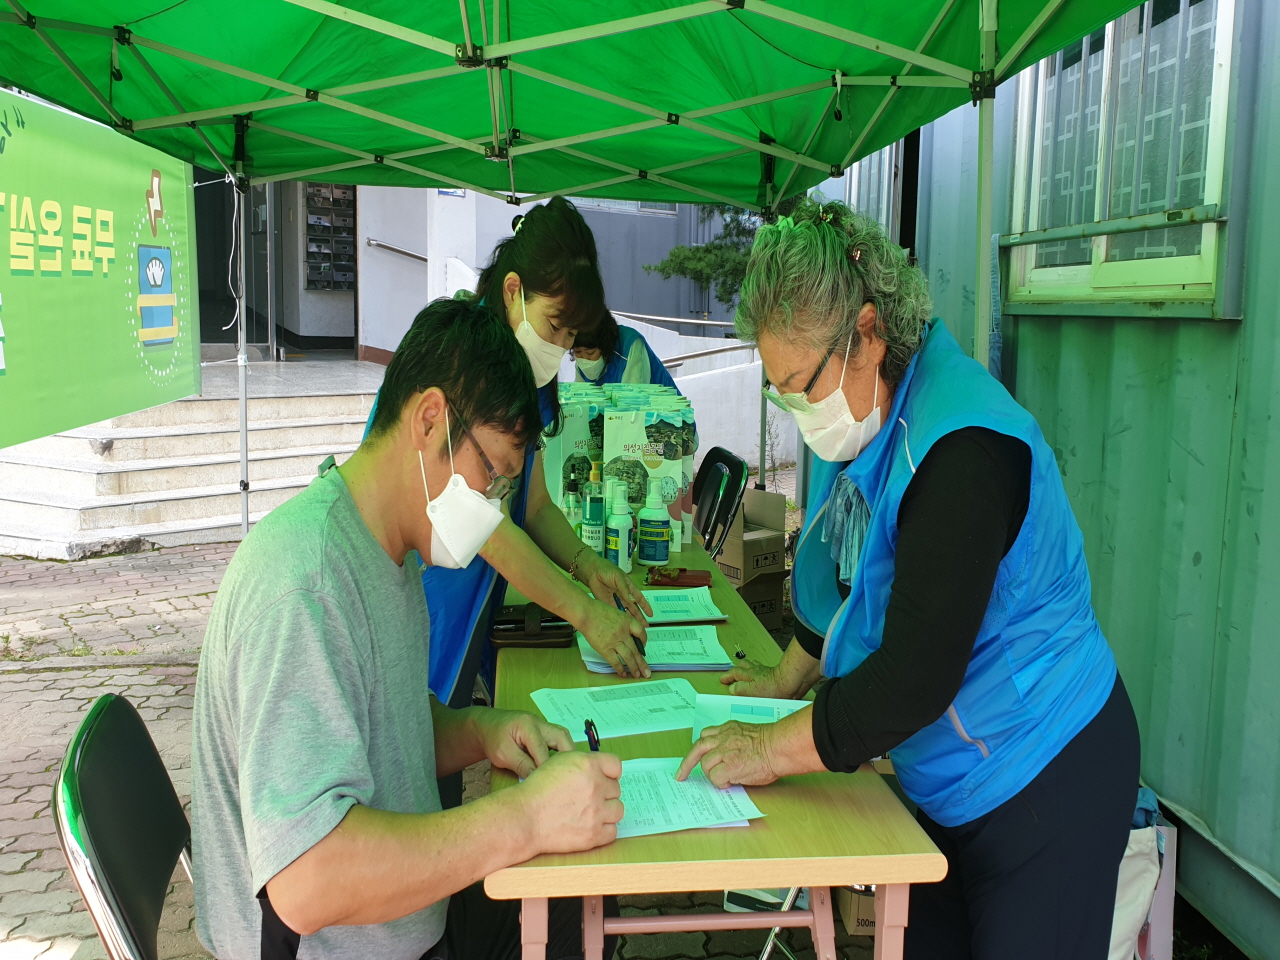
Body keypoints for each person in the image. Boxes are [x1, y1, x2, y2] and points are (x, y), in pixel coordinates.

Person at [677, 200, 1139, 960]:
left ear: (867, 332)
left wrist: (769, 749)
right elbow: (846, 592)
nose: (797, 407)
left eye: (801, 384)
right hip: (950, 780)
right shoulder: (871, 412)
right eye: (780, 390)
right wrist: (779, 685)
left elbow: (914, 679)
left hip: (1047, 771)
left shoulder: (961, 451)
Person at [191, 297, 624, 960]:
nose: (490, 509)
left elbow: (381, 726)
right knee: (561, 879)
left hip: (405, 922)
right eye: (490, 477)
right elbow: (307, 880)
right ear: (430, 420)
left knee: (580, 894)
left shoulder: (383, 553)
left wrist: (485, 732)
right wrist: (526, 818)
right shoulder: (303, 586)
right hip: (347, 940)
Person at [365, 197, 654, 739]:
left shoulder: (530, 379)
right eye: (555, 326)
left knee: (446, 741)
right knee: (413, 744)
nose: (561, 347)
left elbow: (534, 504)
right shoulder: (460, 357)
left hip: (475, 603)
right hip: (429, 598)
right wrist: (586, 612)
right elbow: (484, 523)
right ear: (513, 290)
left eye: (572, 337)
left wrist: (588, 565)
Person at [571, 310, 678, 388]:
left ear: (605, 346)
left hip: (664, 416)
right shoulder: (582, 356)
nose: (584, 359)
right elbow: (580, 398)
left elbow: (633, 400)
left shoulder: (630, 344)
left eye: (590, 353)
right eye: (578, 352)